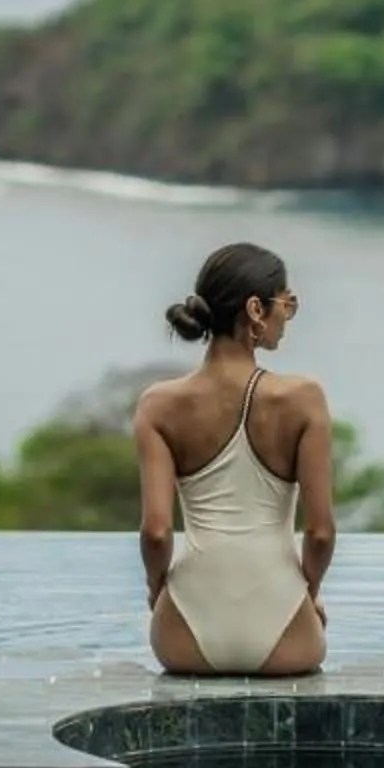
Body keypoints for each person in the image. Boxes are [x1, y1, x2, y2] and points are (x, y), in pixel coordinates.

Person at [134, 241, 336, 677]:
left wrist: (157, 591)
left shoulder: (158, 405)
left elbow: (155, 532)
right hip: (287, 633)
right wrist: (308, 593)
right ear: (256, 310)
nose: (289, 315)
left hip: (182, 636)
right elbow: (319, 533)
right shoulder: (304, 400)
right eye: (288, 302)